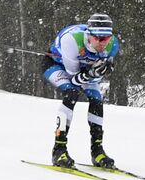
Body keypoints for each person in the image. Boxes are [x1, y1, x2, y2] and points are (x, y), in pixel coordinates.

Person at [43, 13, 120, 169]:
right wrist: (92, 73)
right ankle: (59, 150)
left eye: (106, 38)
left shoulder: (113, 44)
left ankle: (97, 151)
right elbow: (73, 79)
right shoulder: (71, 40)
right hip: (57, 65)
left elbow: (96, 77)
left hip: (85, 69)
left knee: (97, 99)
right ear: (89, 35)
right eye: (98, 38)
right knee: (71, 93)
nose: (102, 43)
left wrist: (102, 71)